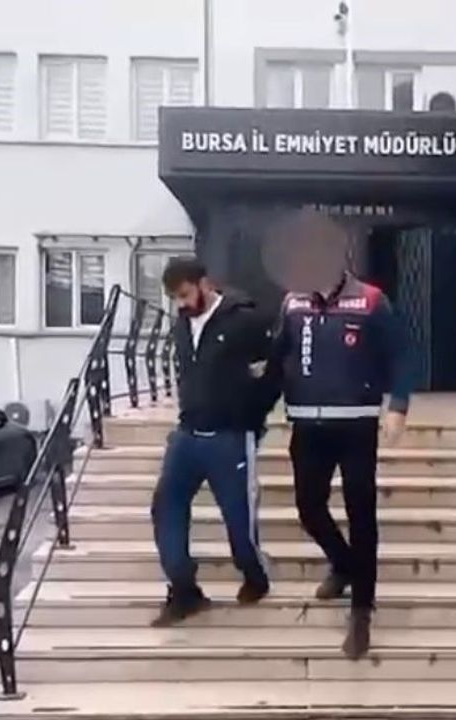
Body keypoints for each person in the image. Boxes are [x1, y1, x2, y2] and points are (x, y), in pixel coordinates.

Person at [260, 209, 413, 660]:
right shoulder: (292, 304)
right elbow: (276, 361)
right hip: (308, 426)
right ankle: (344, 564)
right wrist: (251, 402)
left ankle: (361, 613)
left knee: (362, 516)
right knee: (309, 507)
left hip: (356, 425)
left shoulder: (371, 301)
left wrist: (398, 407)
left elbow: (401, 356)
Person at [150, 256, 276, 627]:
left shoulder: (245, 320)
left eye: (185, 294)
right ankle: (184, 589)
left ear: (205, 284)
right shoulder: (181, 324)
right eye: (175, 298)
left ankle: (254, 575)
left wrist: (252, 415)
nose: (182, 304)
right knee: (165, 505)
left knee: (238, 519)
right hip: (187, 434)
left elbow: (272, 371)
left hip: (230, 436)